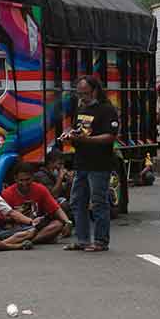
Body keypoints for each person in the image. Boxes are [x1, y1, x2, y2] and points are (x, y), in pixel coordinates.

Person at [62, 76, 119, 252]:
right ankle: (82, 239)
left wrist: (88, 139)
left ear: (95, 90)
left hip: (99, 164)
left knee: (98, 202)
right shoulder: (81, 108)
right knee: (77, 201)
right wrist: (69, 135)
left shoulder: (107, 110)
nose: (82, 96)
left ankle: (101, 241)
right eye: (79, 93)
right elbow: (77, 129)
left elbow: (110, 136)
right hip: (81, 162)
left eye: (85, 93)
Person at [2, 162, 73, 244]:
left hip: (37, 226)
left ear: (32, 177)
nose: (24, 183)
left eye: (27, 180)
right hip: (18, 228)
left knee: (58, 224)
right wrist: (18, 216)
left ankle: (30, 241)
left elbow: (55, 208)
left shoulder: (40, 189)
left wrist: (67, 222)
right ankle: (30, 238)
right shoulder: (7, 193)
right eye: (21, 180)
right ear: (15, 179)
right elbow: (3, 218)